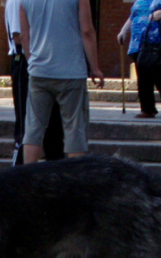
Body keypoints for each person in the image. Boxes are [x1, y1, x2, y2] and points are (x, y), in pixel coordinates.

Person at [20, 0, 105, 164]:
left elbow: (25, 35)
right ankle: (77, 177)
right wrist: (94, 67)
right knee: (74, 128)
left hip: (39, 71)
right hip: (71, 72)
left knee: (34, 127)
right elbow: (87, 31)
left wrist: (32, 61)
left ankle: (26, 175)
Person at [5, 0, 63, 165]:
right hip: (25, 60)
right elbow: (18, 36)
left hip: (44, 63)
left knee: (53, 124)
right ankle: (21, 170)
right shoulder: (17, 2)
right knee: (26, 123)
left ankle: (56, 167)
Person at [118, 0, 161, 119]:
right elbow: (134, 15)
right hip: (139, 43)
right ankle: (147, 110)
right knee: (143, 76)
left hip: (160, 43)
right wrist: (124, 31)